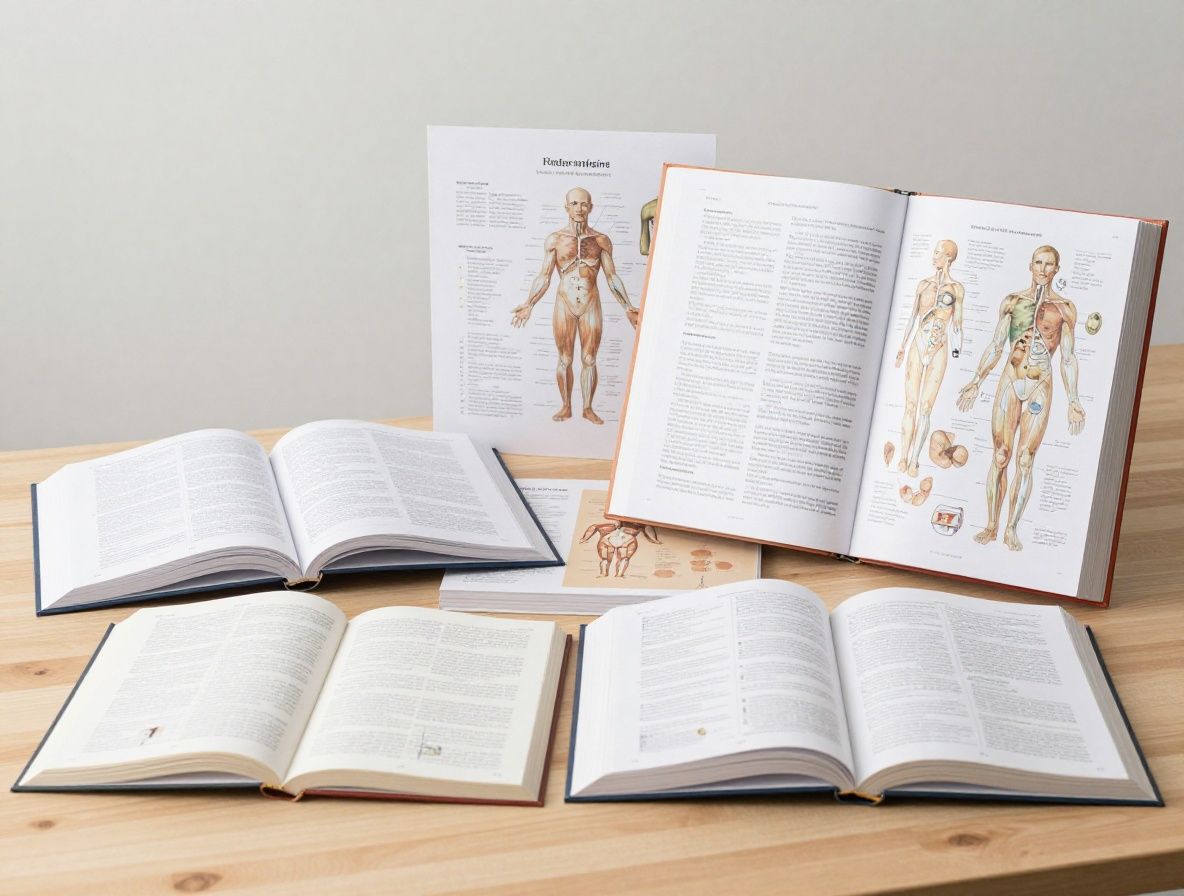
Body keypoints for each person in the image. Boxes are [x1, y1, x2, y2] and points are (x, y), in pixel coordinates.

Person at [956, 246, 1085, 551]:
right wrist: (977, 380)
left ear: (1056, 269)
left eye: (1049, 264)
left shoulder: (1065, 308)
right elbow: (997, 344)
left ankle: (1011, 528)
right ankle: (991, 525)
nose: (1043, 268)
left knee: (1025, 460)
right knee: (1001, 454)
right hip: (1010, 380)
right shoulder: (1013, 301)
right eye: (1038, 262)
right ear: (1030, 265)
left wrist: (1074, 400)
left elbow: (1068, 357)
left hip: (1041, 384)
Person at [511, 188, 639, 424]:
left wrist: (628, 307)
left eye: (584, 204)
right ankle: (566, 406)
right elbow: (544, 276)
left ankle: (587, 408)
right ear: (566, 207)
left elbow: (611, 277)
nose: (579, 209)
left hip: (590, 303)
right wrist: (529, 303)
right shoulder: (555, 240)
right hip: (564, 304)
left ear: (591, 207)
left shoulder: (601, 240)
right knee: (565, 359)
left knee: (589, 359)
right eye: (575, 204)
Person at [895, 240, 964, 477]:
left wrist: (957, 350)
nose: (934, 257)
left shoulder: (956, 289)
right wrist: (902, 346)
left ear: (949, 257)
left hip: (939, 349)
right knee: (910, 405)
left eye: (938, 253)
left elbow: (957, 323)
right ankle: (903, 457)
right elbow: (912, 317)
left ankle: (914, 459)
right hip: (918, 344)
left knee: (925, 408)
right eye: (934, 252)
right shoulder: (923, 284)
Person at [580, 519, 661, 577]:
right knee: (610, 559)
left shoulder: (635, 524)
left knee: (622, 559)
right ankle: (610, 574)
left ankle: (615, 574)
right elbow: (594, 527)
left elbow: (594, 526)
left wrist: (654, 539)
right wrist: (584, 538)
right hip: (617, 540)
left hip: (622, 540)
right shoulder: (612, 524)